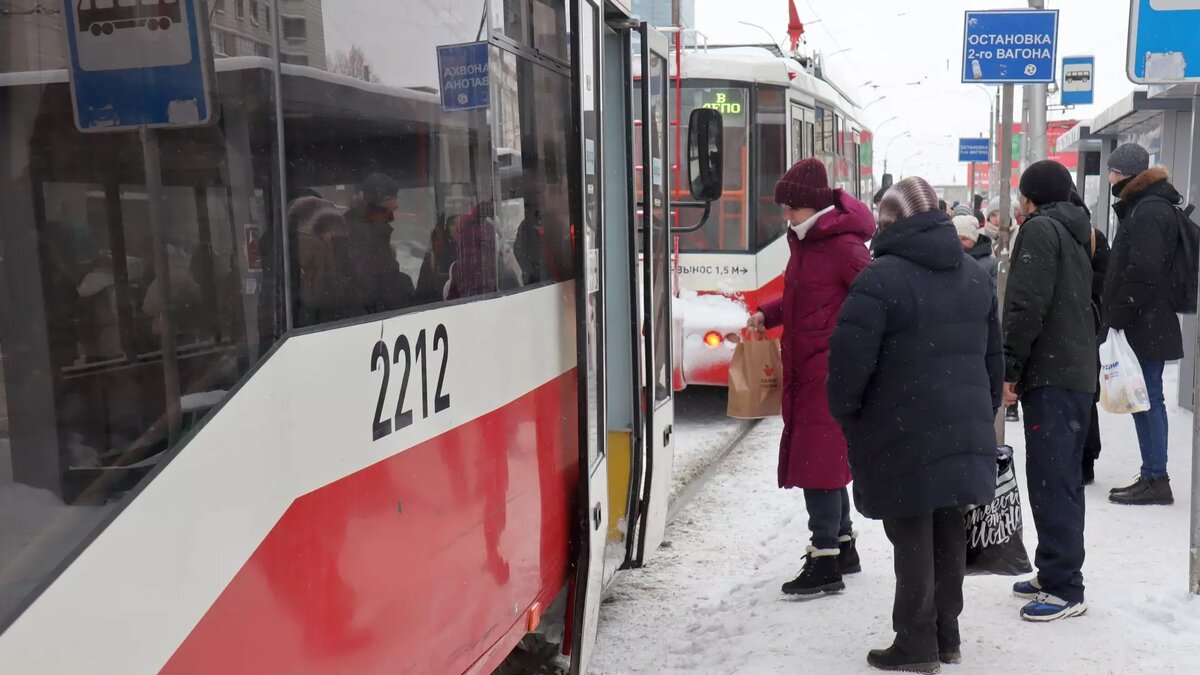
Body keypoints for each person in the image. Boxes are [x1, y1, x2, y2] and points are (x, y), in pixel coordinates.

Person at [828, 176, 1001, 672]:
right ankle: (948, 634)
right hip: (961, 426)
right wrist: (981, 412)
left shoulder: (880, 278)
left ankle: (915, 642)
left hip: (900, 427)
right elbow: (992, 358)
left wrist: (848, 413)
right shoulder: (973, 273)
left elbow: (849, 363)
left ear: (890, 222)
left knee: (910, 533)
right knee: (948, 527)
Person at [744, 158, 874, 597]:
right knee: (827, 460)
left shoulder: (842, 246)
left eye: (791, 207)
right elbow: (804, 297)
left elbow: (873, 300)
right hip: (809, 368)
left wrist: (853, 350)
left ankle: (824, 563)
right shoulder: (808, 242)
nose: (786, 215)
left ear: (812, 207)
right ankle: (842, 546)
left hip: (829, 369)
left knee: (817, 462)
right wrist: (769, 312)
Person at [1003, 160, 1095, 622]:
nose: (1019, 203)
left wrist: (1008, 366)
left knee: (1053, 479)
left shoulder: (1041, 230)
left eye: (1022, 195)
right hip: (1073, 372)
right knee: (1060, 479)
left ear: (1031, 196)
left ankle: (1064, 588)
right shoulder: (1078, 229)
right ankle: (1054, 569)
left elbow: (1025, 305)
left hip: (1053, 375)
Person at [1102, 143, 1184, 506]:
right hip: (1149, 319)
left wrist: (1119, 313)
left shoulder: (1148, 210)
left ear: (1125, 174)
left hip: (1146, 321)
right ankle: (1153, 473)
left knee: (1147, 398)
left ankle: (1156, 477)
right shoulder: (1146, 205)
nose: (1108, 178)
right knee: (1146, 398)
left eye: (1112, 171)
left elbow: (1144, 270)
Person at [1073, 188, 1110, 486]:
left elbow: (1105, 280)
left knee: (1087, 396)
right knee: (1083, 396)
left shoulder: (1096, 238)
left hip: (1089, 324)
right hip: (1077, 327)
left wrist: (1077, 277)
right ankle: (1082, 458)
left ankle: (1087, 459)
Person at [344, 172, 415, 316]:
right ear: (374, 202)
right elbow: (372, 285)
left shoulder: (369, 229)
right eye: (390, 198)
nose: (396, 205)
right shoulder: (364, 234)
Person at [955, 214, 998, 289]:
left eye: (964, 239)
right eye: (955, 238)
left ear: (974, 240)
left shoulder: (992, 264)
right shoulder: (946, 261)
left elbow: (994, 293)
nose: (959, 243)